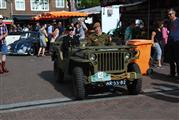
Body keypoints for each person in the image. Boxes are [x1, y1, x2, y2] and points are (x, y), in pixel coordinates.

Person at [166, 8, 179, 77]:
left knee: (177, 58)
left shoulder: (178, 20)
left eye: (170, 14)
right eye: (168, 14)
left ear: (174, 13)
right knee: (171, 59)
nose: (169, 15)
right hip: (170, 42)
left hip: (177, 42)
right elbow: (169, 30)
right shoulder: (169, 22)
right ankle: (172, 73)